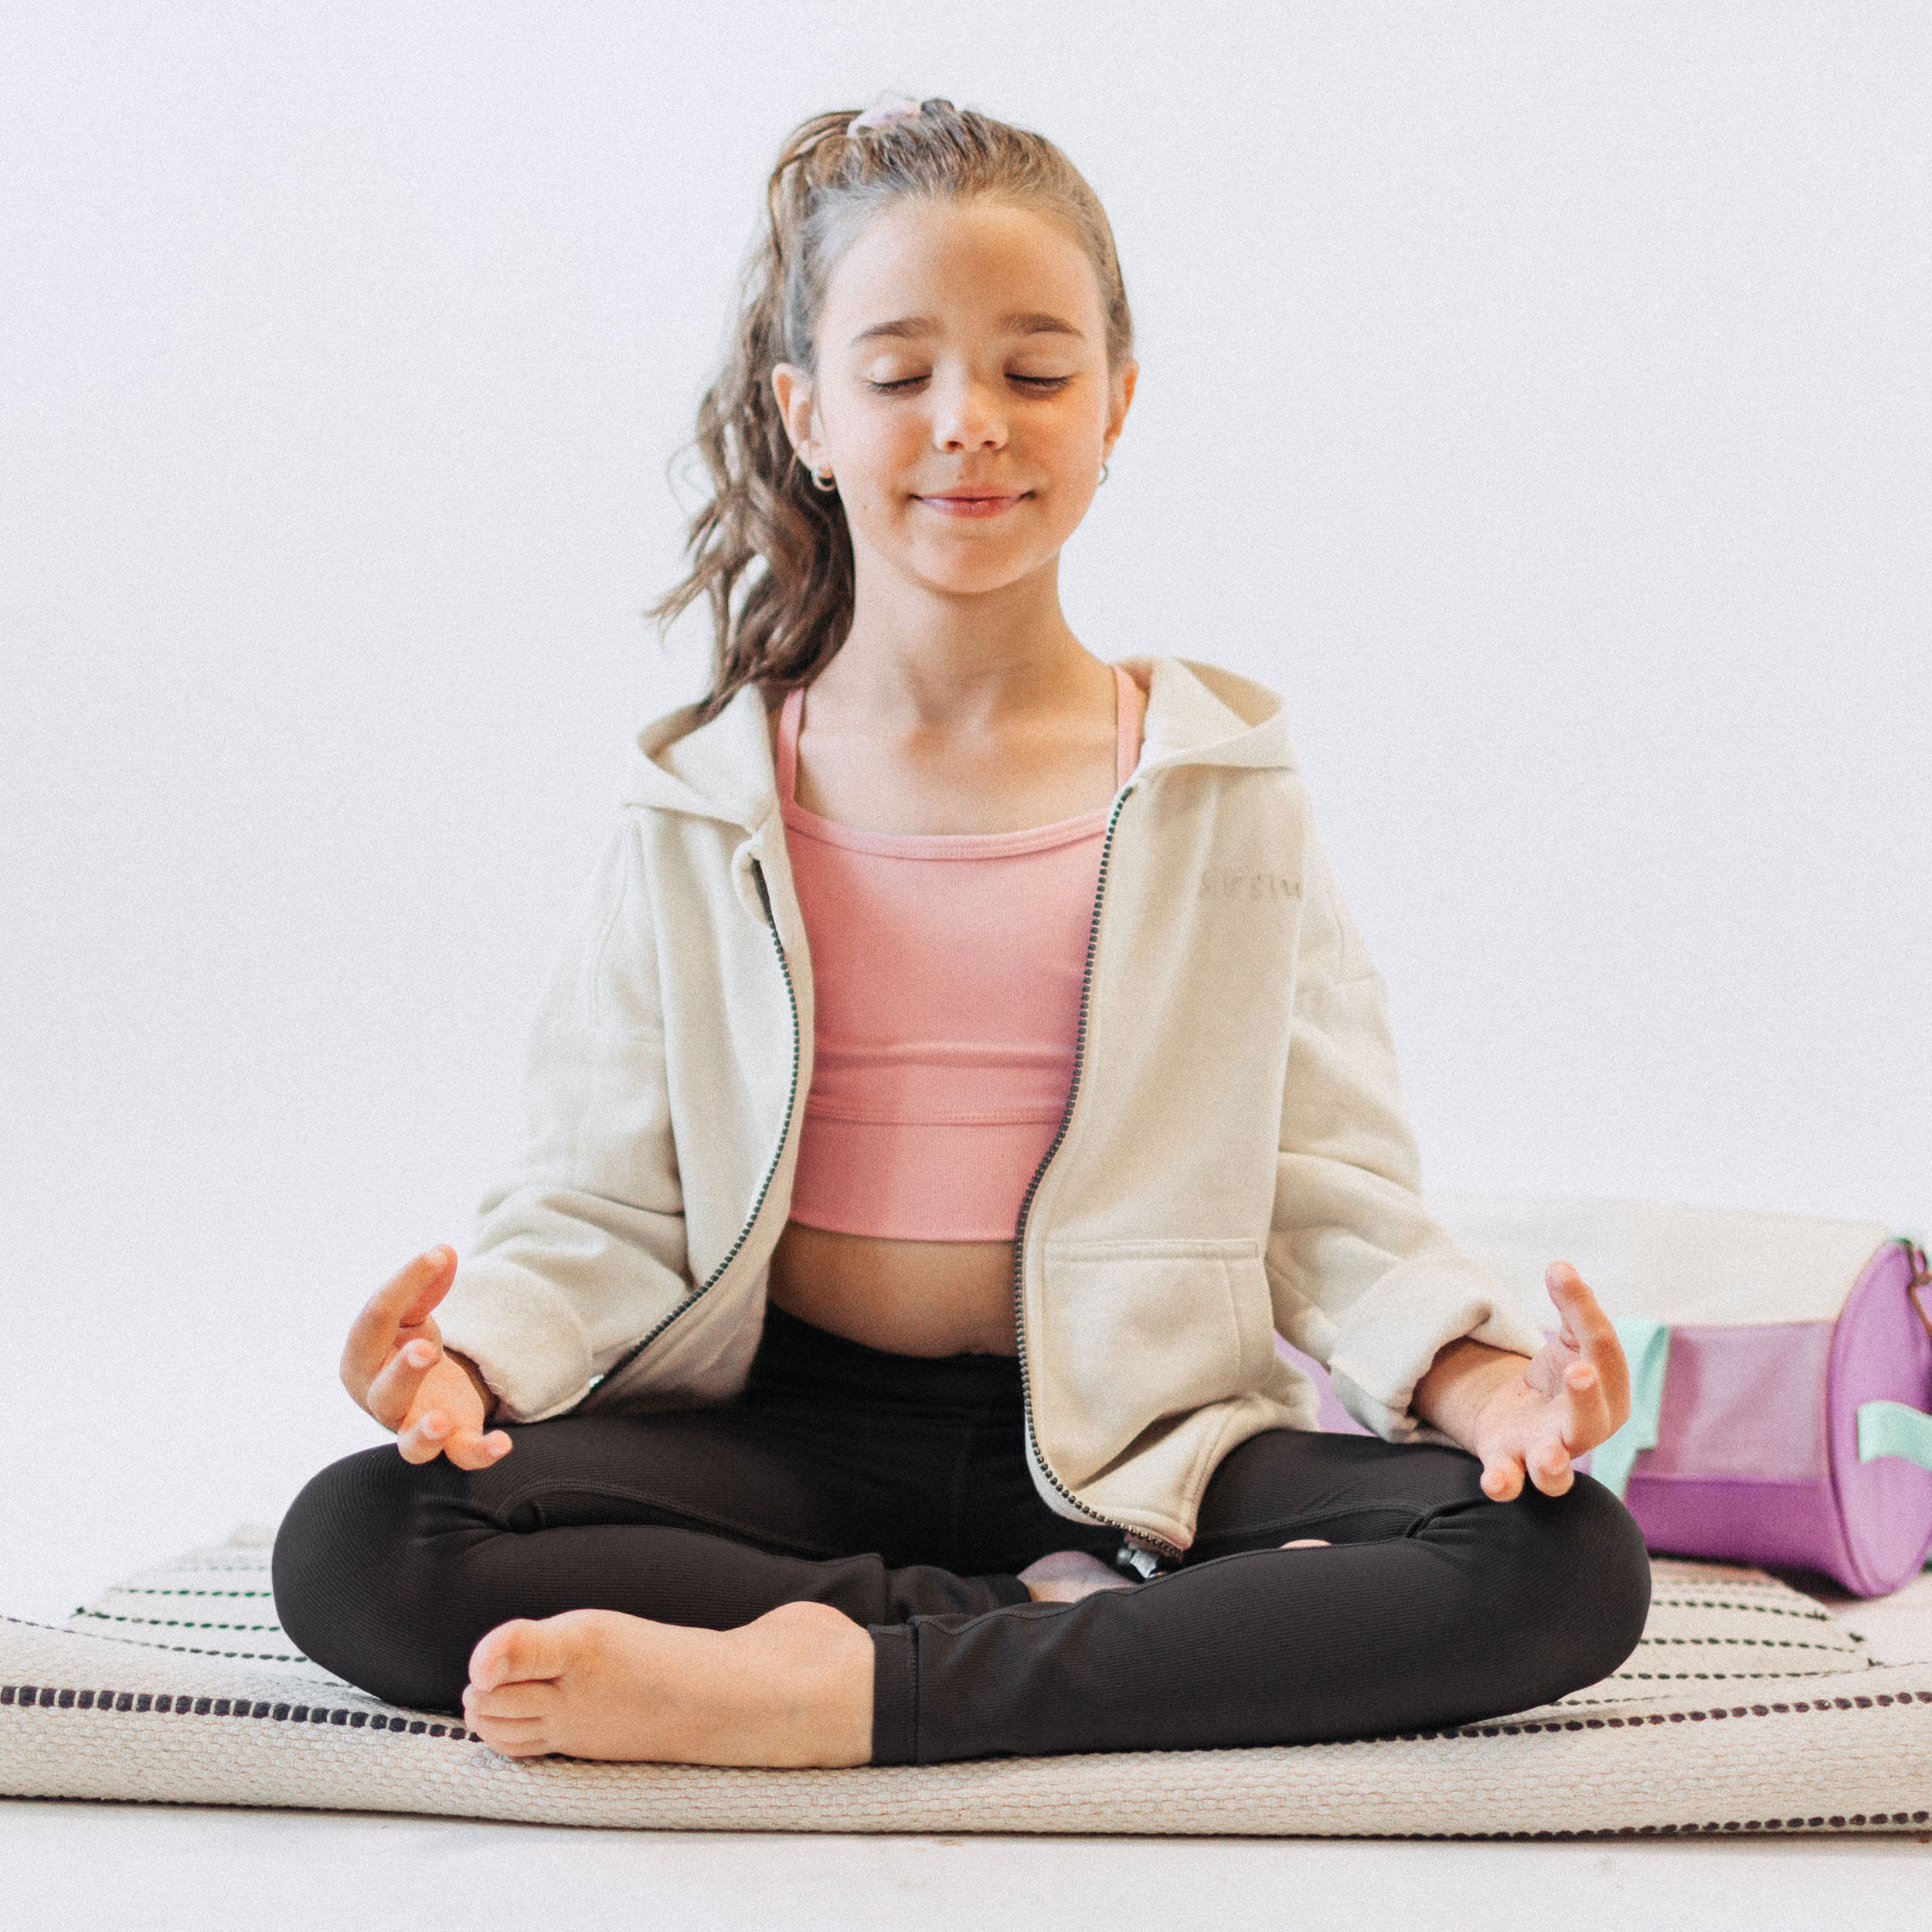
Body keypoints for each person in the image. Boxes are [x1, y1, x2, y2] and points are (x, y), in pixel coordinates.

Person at [272, 95, 1650, 1770]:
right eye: (899, 372)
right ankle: (1034, 1634)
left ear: (1116, 402)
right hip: (781, 1434)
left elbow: (1327, 1192)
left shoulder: (1217, 789)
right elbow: (602, 1202)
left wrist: (1485, 1386)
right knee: (363, 1539)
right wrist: (469, 1360)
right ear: (805, 413)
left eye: (1034, 371)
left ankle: (841, 1680)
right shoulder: (704, 804)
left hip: (1141, 1441)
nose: (968, 423)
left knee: (1559, 1559)